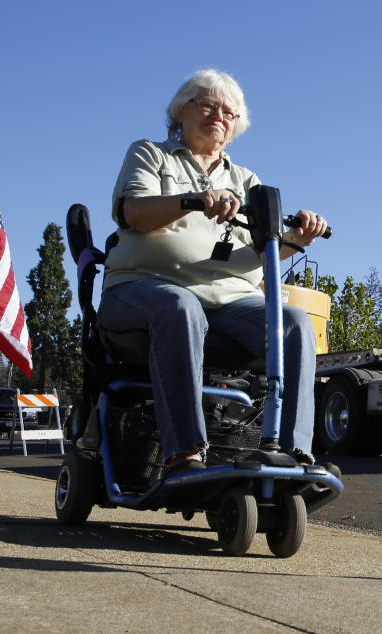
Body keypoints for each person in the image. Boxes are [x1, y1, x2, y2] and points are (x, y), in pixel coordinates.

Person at [98, 69, 329, 477]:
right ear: (181, 111)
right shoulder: (151, 154)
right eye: (207, 104)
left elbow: (261, 257)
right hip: (143, 286)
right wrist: (192, 201)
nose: (219, 115)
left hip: (228, 300)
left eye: (229, 112)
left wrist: (296, 238)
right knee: (180, 305)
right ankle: (183, 455)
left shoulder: (247, 182)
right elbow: (134, 212)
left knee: (294, 322)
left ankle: (292, 454)